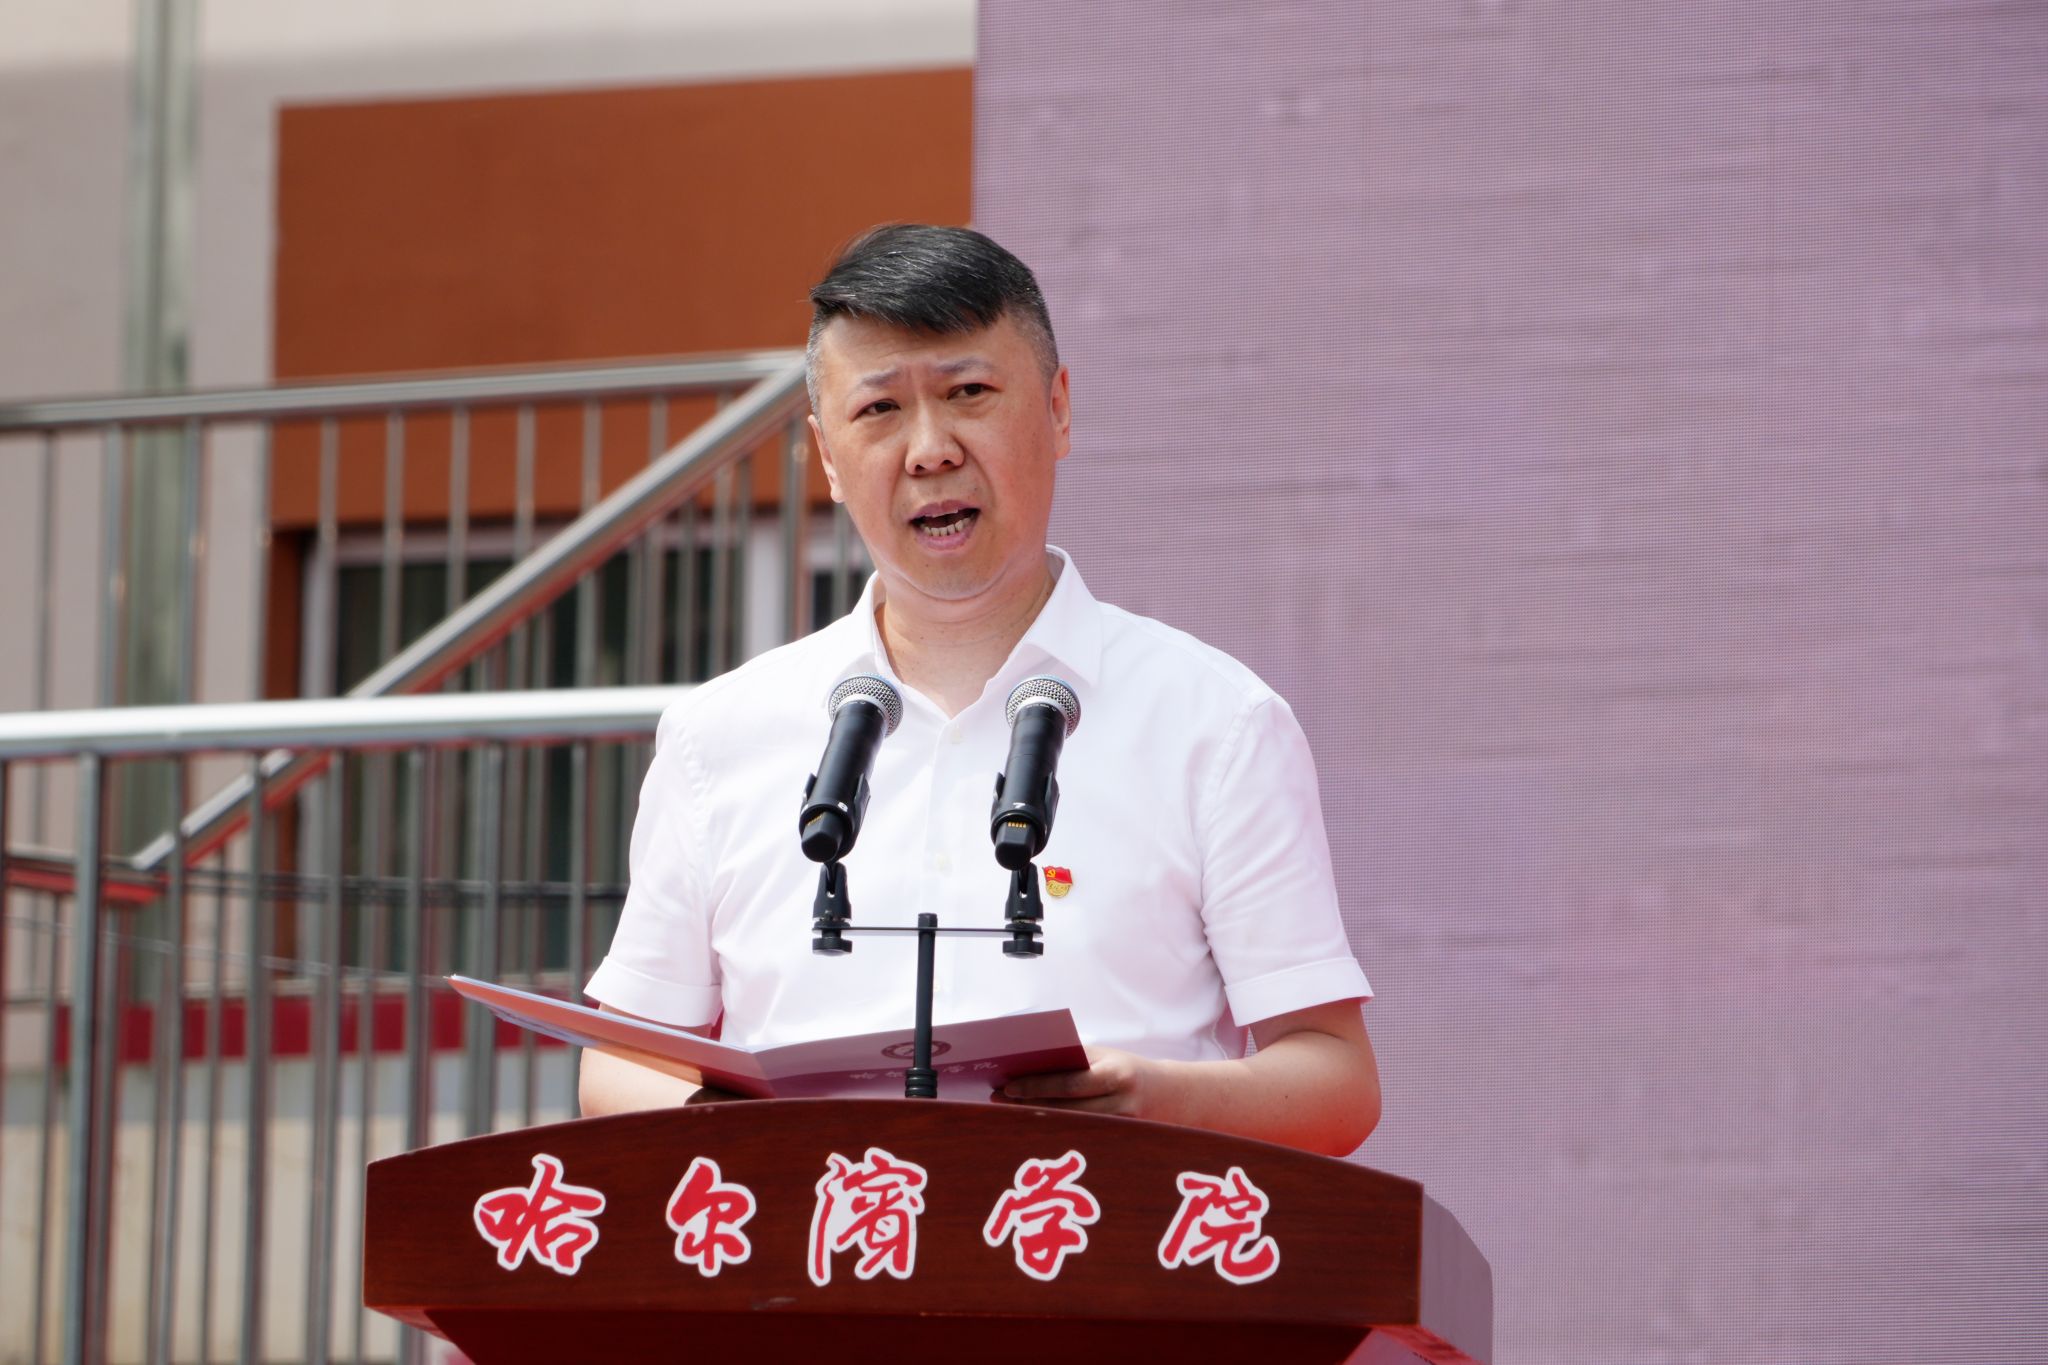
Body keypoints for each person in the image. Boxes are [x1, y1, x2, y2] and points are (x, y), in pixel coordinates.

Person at [579, 225, 1380, 1156]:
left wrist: (1158, 1098)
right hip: (815, 1240)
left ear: (1059, 409)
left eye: (969, 393)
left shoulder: (1217, 723)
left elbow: (1335, 1078)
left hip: (1099, 1233)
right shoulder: (717, 736)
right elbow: (620, 1060)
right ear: (827, 457)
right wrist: (750, 1136)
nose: (929, 450)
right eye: (879, 409)